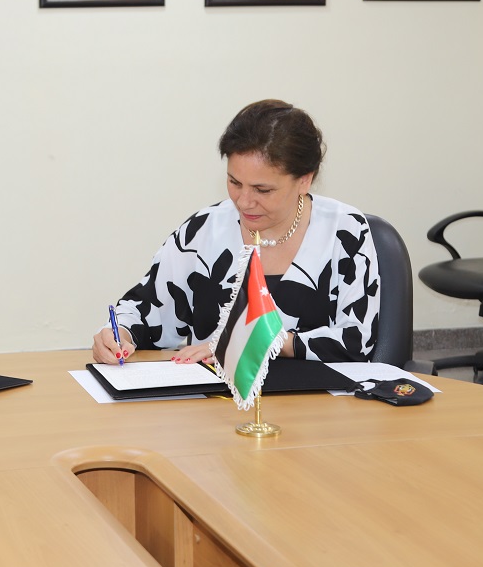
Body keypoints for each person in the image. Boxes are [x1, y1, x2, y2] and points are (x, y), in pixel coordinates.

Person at [91, 99, 379, 367]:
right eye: (234, 182)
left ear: (304, 180)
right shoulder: (203, 232)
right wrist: (118, 333)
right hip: (214, 400)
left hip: (319, 400)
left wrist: (263, 343)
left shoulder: (345, 232)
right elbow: (145, 310)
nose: (244, 202)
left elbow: (357, 341)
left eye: (262, 190)